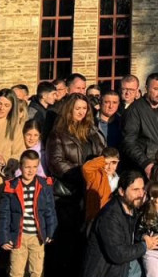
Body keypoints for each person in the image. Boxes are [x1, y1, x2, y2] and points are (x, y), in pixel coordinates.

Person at [47, 93, 108, 272]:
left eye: (84, 108)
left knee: (85, 242)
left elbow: (103, 154)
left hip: (90, 193)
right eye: (77, 108)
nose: (81, 112)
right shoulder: (58, 133)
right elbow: (56, 162)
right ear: (69, 110)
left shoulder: (92, 130)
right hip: (68, 195)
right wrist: (82, 175)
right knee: (66, 244)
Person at [83, 170, 158, 277]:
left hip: (126, 267)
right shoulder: (109, 216)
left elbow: (130, 234)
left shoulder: (132, 208)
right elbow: (118, 254)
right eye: (135, 190)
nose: (141, 194)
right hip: (106, 271)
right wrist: (145, 246)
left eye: (142, 189)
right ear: (122, 191)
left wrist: (142, 236)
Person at [0, 149, 57, 277]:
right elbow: (4, 214)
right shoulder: (11, 186)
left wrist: (51, 232)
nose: (31, 170)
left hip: (38, 237)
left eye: (34, 167)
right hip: (18, 236)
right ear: (21, 166)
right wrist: (4, 238)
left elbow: (50, 211)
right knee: (16, 272)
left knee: (36, 271)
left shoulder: (44, 185)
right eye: (27, 167)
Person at [123, 73, 158, 173]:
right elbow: (128, 142)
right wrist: (145, 163)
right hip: (142, 168)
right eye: (156, 89)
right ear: (146, 88)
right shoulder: (135, 109)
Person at [0, 89, 27, 195]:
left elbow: (20, 154)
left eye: (6, 105)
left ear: (11, 108)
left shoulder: (15, 128)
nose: (1, 108)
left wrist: (4, 160)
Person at [82, 147, 123, 222]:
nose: (110, 167)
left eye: (114, 163)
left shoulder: (120, 180)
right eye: (107, 163)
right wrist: (103, 160)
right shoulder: (95, 175)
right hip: (95, 219)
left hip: (112, 219)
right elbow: (86, 168)